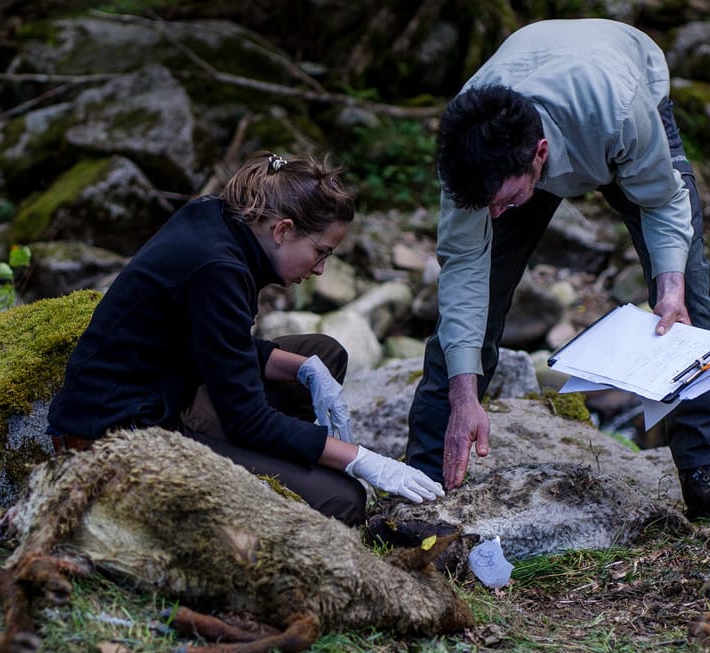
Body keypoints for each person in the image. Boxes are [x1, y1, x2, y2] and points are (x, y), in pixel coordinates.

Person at [407, 19, 710, 520]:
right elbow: (466, 273)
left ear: (540, 156)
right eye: (485, 205)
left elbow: (663, 204)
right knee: (469, 313)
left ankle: (709, 469)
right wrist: (464, 395)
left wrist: (671, 289)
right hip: (523, 116)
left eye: (505, 202)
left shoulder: (619, 113)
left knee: (689, 299)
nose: (494, 217)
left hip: (617, 94)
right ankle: (423, 479)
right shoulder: (469, 153)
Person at [46, 152, 440, 526]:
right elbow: (247, 420)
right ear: (283, 229)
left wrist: (305, 369)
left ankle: (275, 459)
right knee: (343, 499)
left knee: (323, 353)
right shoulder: (219, 267)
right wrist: (363, 460)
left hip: (172, 386)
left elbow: (219, 344)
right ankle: (266, 469)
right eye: (320, 252)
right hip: (123, 432)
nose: (320, 270)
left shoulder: (217, 217)